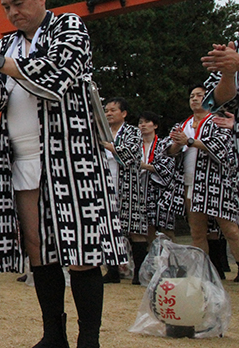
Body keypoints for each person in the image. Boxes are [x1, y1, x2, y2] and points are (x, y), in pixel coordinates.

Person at [0, 0, 126, 348]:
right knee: (38, 249)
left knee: (81, 250)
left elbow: (57, 79)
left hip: (69, 155)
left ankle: (90, 347)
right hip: (22, 156)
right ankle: (54, 338)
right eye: (6, 7)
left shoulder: (68, 27)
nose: (12, 13)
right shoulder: (7, 43)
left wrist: (0, 62)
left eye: (18, 3)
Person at [162, 84, 239, 281]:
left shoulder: (217, 121)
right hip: (190, 183)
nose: (195, 99)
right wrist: (177, 144)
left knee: (230, 230)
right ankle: (202, 273)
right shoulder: (183, 124)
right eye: (192, 96)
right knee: (197, 232)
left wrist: (189, 141)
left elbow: (221, 148)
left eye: (199, 95)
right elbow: (168, 150)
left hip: (216, 183)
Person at [100, 97, 145, 284]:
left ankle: (139, 272)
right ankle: (113, 270)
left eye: (113, 110)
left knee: (135, 228)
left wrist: (110, 147)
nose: (108, 114)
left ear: (124, 113)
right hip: (105, 182)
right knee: (109, 227)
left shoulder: (133, 132)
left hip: (128, 184)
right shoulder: (101, 131)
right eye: (106, 110)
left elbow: (132, 154)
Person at [137, 111, 177, 243]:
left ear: (155, 125)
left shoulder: (164, 144)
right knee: (147, 228)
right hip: (141, 189)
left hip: (161, 192)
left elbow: (168, 167)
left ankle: (169, 254)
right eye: (140, 123)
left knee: (167, 229)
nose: (143, 125)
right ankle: (152, 254)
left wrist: (146, 166)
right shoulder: (135, 145)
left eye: (147, 122)